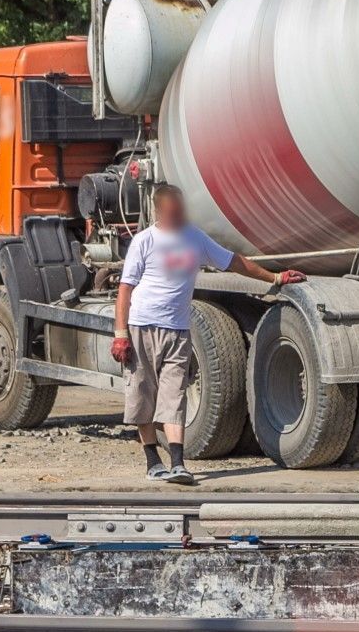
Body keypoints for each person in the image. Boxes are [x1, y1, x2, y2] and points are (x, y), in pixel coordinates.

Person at [112, 184, 304, 484]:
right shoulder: (144, 241)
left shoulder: (195, 238)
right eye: (172, 211)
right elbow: (125, 290)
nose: (178, 216)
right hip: (142, 327)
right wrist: (120, 333)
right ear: (159, 211)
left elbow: (234, 262)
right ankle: (152, 461)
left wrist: (275, 277)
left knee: (174, 396)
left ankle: (177, 463)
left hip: (177, 329)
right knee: (142, 396)